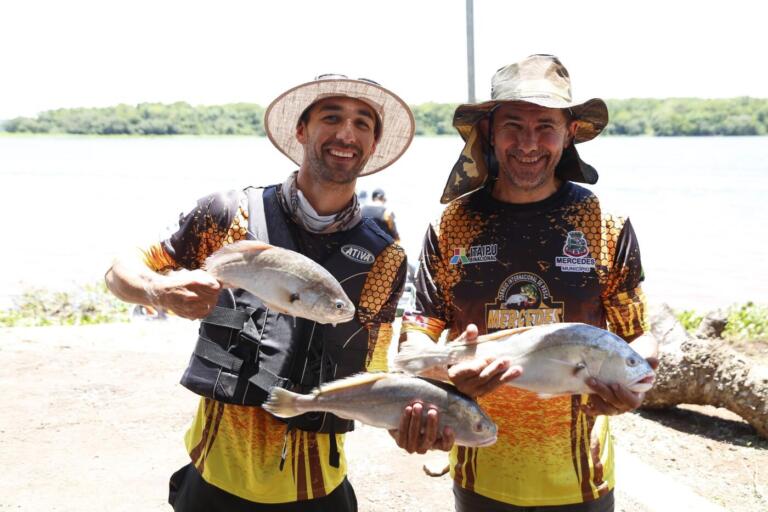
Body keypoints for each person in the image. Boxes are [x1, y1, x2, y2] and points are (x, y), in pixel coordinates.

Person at [105, 74, 415, 511]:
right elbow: (120, 271)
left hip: (319, 489)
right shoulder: (228, 213)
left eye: (362, 123)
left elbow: (374, 369)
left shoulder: (385, 257)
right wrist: (158, 290)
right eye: (331, 117)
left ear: (373, 143)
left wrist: (407, 418)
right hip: (214, 477)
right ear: (301, 130)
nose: (347, 134)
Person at [398, 54, 659, 511]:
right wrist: (446, 375)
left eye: (545, 127)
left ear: (569, 132)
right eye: (513, 126)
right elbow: (417, 333)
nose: (528, 143)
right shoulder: (453, 225)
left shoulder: (605, 224)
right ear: (489, 132)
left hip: (581, 478)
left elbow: (638, 335)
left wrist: (637, 383)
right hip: (480, 472)